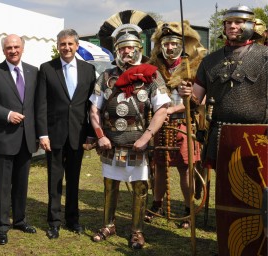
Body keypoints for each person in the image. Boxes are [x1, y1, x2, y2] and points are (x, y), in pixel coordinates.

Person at [89, 23, 171, 249]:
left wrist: (146, 137)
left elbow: (162, 108)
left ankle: (137, 231)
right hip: (111, 141)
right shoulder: (106, 76)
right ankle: (108, 225)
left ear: (139, 48)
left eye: (131, 47)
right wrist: (99, 135)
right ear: (116, 49)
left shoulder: (151, 75)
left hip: (138, 142)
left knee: (139, 187)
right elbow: (94, 109)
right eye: (122, 47)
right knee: (109, 184)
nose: (126, 51)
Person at [179, 5, 267, 167]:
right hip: (220, 133)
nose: (232, 26)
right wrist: (187, 94)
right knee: (224, 187)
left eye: (239, 22)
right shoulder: (210, 61)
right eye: (228, 22)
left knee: (258, 187)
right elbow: (195, 100)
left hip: (259, 133)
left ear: (251, 26)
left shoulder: (265, 56)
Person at [0, 34, 38, 245]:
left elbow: (36, 105)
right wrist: (7, 114)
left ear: (22, 48)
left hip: (26, 139)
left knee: (21, 184)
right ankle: (1, 226)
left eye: (16, 47)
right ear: (4, 50)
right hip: (3, 139)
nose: (13, 50)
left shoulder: (33, 71)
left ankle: (20, 220)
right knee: (2, 186)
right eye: (9, 47)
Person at [145, 21, 207, 228]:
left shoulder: (194, 66)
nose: (170, 48)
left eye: (174, 43)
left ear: (182, 44)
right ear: (160, 46)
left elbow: (203, 99)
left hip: (184, 124)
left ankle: (189, 210)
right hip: (159, 127)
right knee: (160, 167)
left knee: (186, 169)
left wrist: (177, 107)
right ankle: (157, 205)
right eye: (166, 44)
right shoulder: (153, 68)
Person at [36, 29, 96, 239]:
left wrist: (91, 134)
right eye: (63, 44)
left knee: (74, 179)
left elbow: (92, 106)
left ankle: (73, 219)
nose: (67, 47)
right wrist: (42, 134)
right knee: (54, 179)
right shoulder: (46, 69)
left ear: (77, 45)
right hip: (53, 134)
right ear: (58, 45)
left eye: (70, 44)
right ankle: (54, 221)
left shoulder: (89, 70)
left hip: (78, 134)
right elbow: (41, 104)